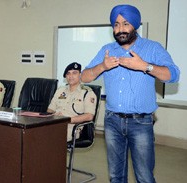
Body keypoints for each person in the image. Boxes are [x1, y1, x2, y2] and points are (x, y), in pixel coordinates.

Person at [81, 4, 180, 183]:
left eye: (125, 24)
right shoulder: (107, 50)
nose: (120, 30)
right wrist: (102, 66)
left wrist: (145, 66)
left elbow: (173, 75)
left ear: (135, 25)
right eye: (116, 25)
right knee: (115, 176)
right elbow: (85, 76)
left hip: (141, 122)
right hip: (112, 121)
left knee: (144, 177)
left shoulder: (153, 48)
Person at [47, 62, 97, 142]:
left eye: (74, 73)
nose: (71, 76)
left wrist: (67, 120)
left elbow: (89, 116)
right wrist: (52, 116)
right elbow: (50, 109)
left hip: (71, 127)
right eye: (68, 74)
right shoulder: (60, 90)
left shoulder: (87, 93)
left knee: (45, 138)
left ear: (80, 75)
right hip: (54, 124)